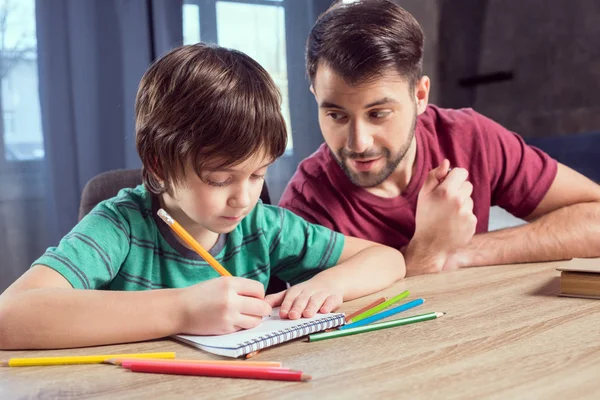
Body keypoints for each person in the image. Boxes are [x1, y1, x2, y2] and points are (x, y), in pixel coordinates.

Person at [0, 43, 405, 350]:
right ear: (158, 165)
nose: (243, 199)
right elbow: (8, 316)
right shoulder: (120, 226)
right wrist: (183, 310)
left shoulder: (262, 226)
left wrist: (329, 283)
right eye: (218, 179)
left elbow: (388, 259)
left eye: (258, 174)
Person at [279, 0, 600, 275]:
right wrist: (426, 252)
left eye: (378, 114)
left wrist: (464, 251)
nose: (358, 143)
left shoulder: (469, 137)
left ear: (420, 96)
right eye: (336, 115)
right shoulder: (306, 208)